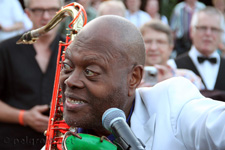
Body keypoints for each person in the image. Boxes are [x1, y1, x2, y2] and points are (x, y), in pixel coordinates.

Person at [59, 15, 225, 150]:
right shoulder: (55, 143)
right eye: (67, 66)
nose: (70, 81)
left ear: (133, 78)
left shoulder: (171, 105)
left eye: (90, 72)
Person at [0, 0, 65, 149]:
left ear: (62, 14)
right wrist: (24, 117)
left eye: (53, 10)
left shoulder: (74, 50)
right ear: (27, 14)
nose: (46, 17)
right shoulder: (5, 49)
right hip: (13, 141)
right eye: (38, 10)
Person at [139, 19, 204, 89]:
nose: (153, 47)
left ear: (170, 48)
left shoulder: (189, 78)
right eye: (148, 41)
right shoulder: (129, 80)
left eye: (160, 42)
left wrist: (173, 87)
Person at [175, 7, 225, 92]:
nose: (208, 33)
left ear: (222, 34)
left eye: (214, 29)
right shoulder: (174, 66)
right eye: (203, 28)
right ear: (191, 31)